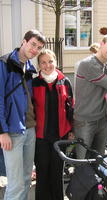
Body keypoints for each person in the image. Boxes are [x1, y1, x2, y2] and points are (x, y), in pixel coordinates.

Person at [0, 29, 46, 200]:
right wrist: (2, 131)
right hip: (12, 131)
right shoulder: (5, 63)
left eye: (39, 48)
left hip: (30, 129)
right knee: (15, 183)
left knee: (27, 179)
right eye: (33, 44)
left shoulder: (29, 68)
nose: (35, 50)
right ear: (24, 41)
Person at [32, 49, 73, 200]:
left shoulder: (65, 81)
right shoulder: (34, 83)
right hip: (40, 136)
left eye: (50, 61)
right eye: (43, 62)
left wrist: (72, 129)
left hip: (60, 134)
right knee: (42, 172)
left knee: (57, 173)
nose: (47, 65)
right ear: (39, 65)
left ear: (55, 62)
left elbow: (71, 106)